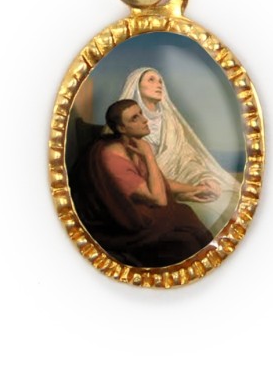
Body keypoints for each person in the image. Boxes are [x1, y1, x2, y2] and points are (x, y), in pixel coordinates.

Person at [70, 99, 214, 268]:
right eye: (134, 118)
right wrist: (149, 156)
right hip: (124, 230)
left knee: (187, 218)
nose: (144, 120)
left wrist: (195, 189)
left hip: (143, 217)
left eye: (140, 113)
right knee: (187, 243)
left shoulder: (133, 145)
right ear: (121, 128)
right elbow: (159, 199)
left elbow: (157, 182)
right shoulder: (114, 159)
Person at [118, 67, 241, 234]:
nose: (159, 84)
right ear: (136, 85)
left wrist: (204, 178)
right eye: (151, 80)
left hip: (177, 182)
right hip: (149, 189)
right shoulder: (125, 125)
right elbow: (133, 175)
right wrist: (190, 190)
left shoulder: (171, 122)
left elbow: (187, 158)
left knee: (226, 203)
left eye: (160, 81)